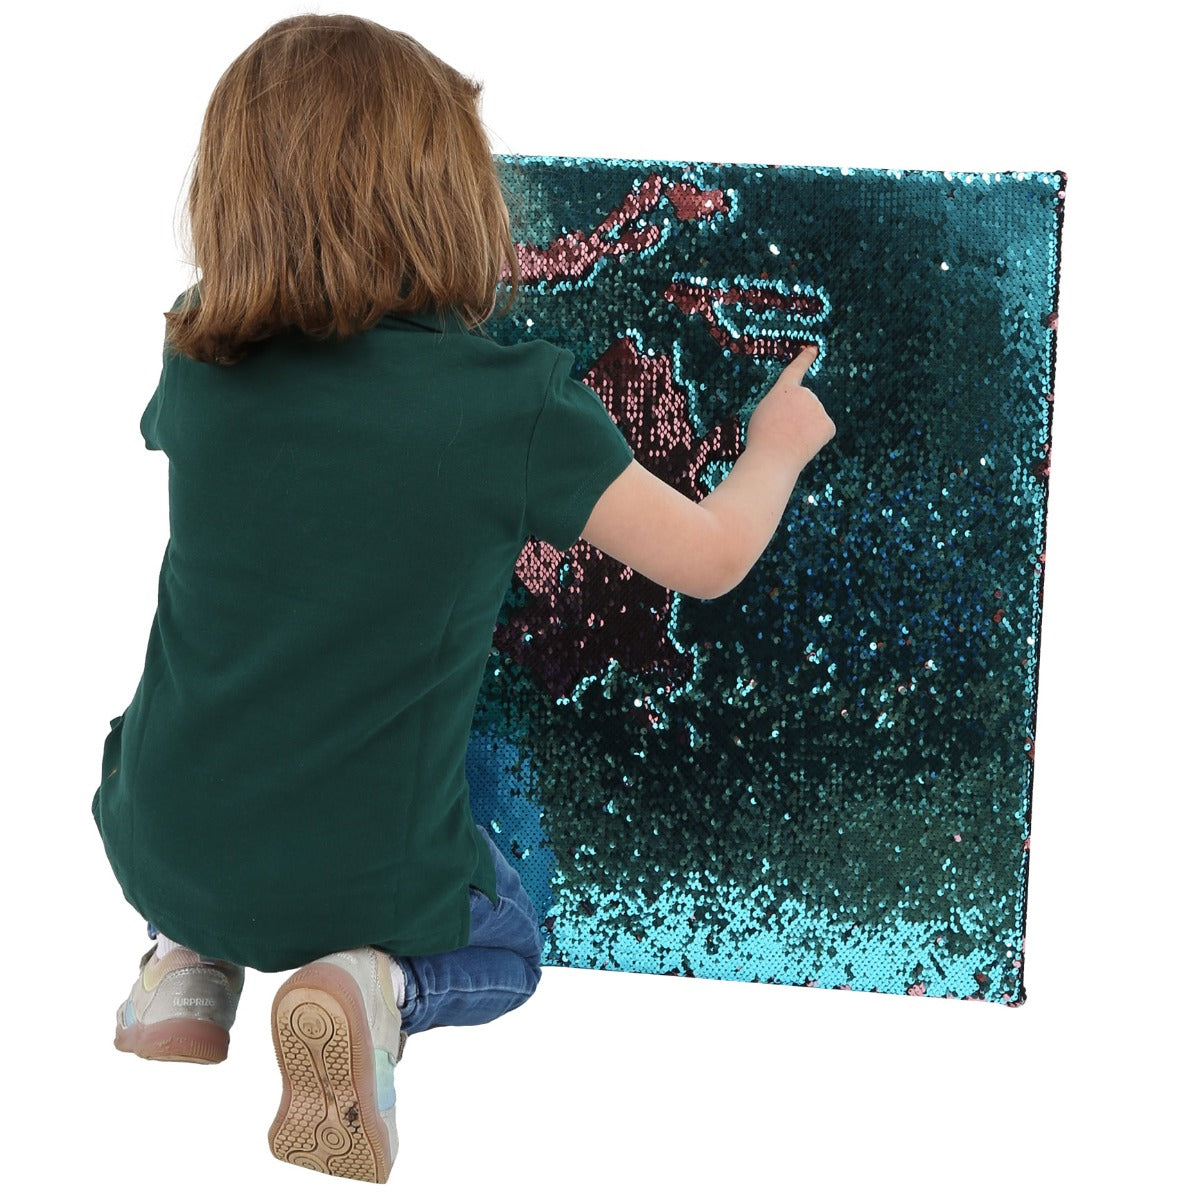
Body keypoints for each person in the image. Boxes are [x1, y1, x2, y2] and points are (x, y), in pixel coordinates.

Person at [91, 12, 836, 1187]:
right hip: (352, 878)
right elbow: (709, 558)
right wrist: (778, 448)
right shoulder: (511, 411)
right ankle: (372, 986)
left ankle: (183, 971)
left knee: (185, 750)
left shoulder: (196, 358)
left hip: (158, 838)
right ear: (445, 198)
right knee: (513, 938)